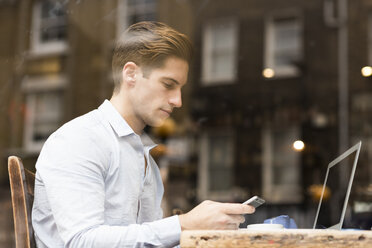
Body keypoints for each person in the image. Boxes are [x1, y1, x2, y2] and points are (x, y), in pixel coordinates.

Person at [32, 21, 255, 248]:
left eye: (180, 89)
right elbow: (82, 241)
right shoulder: (79, 140)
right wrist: (184, 224)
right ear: (131, 74)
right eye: (168, 84)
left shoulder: (142, 156)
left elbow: (148, 241)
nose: (178, 101)